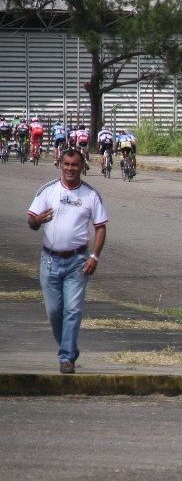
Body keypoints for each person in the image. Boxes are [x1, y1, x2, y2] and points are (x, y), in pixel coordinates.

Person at [26, 148, 108, 374]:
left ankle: (66, 357)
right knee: (55, 312)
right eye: (67, 164)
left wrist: (94, 256)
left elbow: (100, 227)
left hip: (78, 262)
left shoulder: (90, 195)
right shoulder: (48, 191)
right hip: (50, 261)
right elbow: (32, 222)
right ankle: (69, 348)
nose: (70, 168)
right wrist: (38, 220)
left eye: (75, 165)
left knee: (73, 310)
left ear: (83, 167)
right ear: (60, 165)